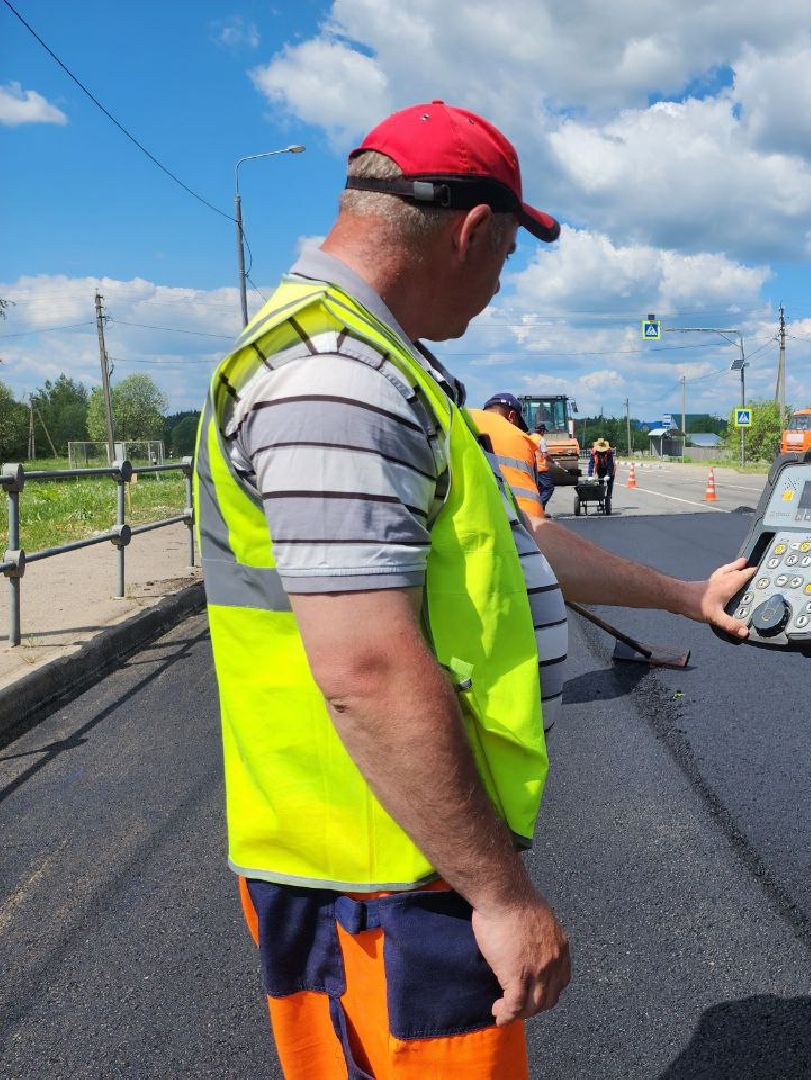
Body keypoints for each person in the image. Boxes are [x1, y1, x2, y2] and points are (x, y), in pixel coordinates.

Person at [194, 100, 754, 1080]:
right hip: (377, 881)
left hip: (399, 856)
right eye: (507, 257)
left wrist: (683, 593)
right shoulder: (335, 382)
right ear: (474, 231)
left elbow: (517, 546)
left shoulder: (382, 369)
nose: (499, 285)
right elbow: (366, 669)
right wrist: (500, 896)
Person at [471, 391, 544, 520]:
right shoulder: (522, 438)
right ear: (511, 416)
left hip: (475, 515)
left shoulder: (463, 420)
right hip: (526, 517)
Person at [532, 424, 555, 509]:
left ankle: (541, 511)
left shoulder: (529, 438)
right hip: (541, 469)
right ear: (542, 431)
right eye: (544, 431)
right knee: (548, 488)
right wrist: (552, 461)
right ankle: (539, 507)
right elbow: (545, 455)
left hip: (531, 468)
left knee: (539, 489)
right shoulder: (541, 439)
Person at [588, 438, 616, 503]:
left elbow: (610, 464)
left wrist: (608, 474)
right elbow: (591, 463)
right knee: (601, 484)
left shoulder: (609, 453)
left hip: (610, 469)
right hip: (600, 469)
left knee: (610, 482)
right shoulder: (593, 453)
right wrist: (590, 475)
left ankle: (608, 497)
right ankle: (601, 499)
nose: (601, 452)